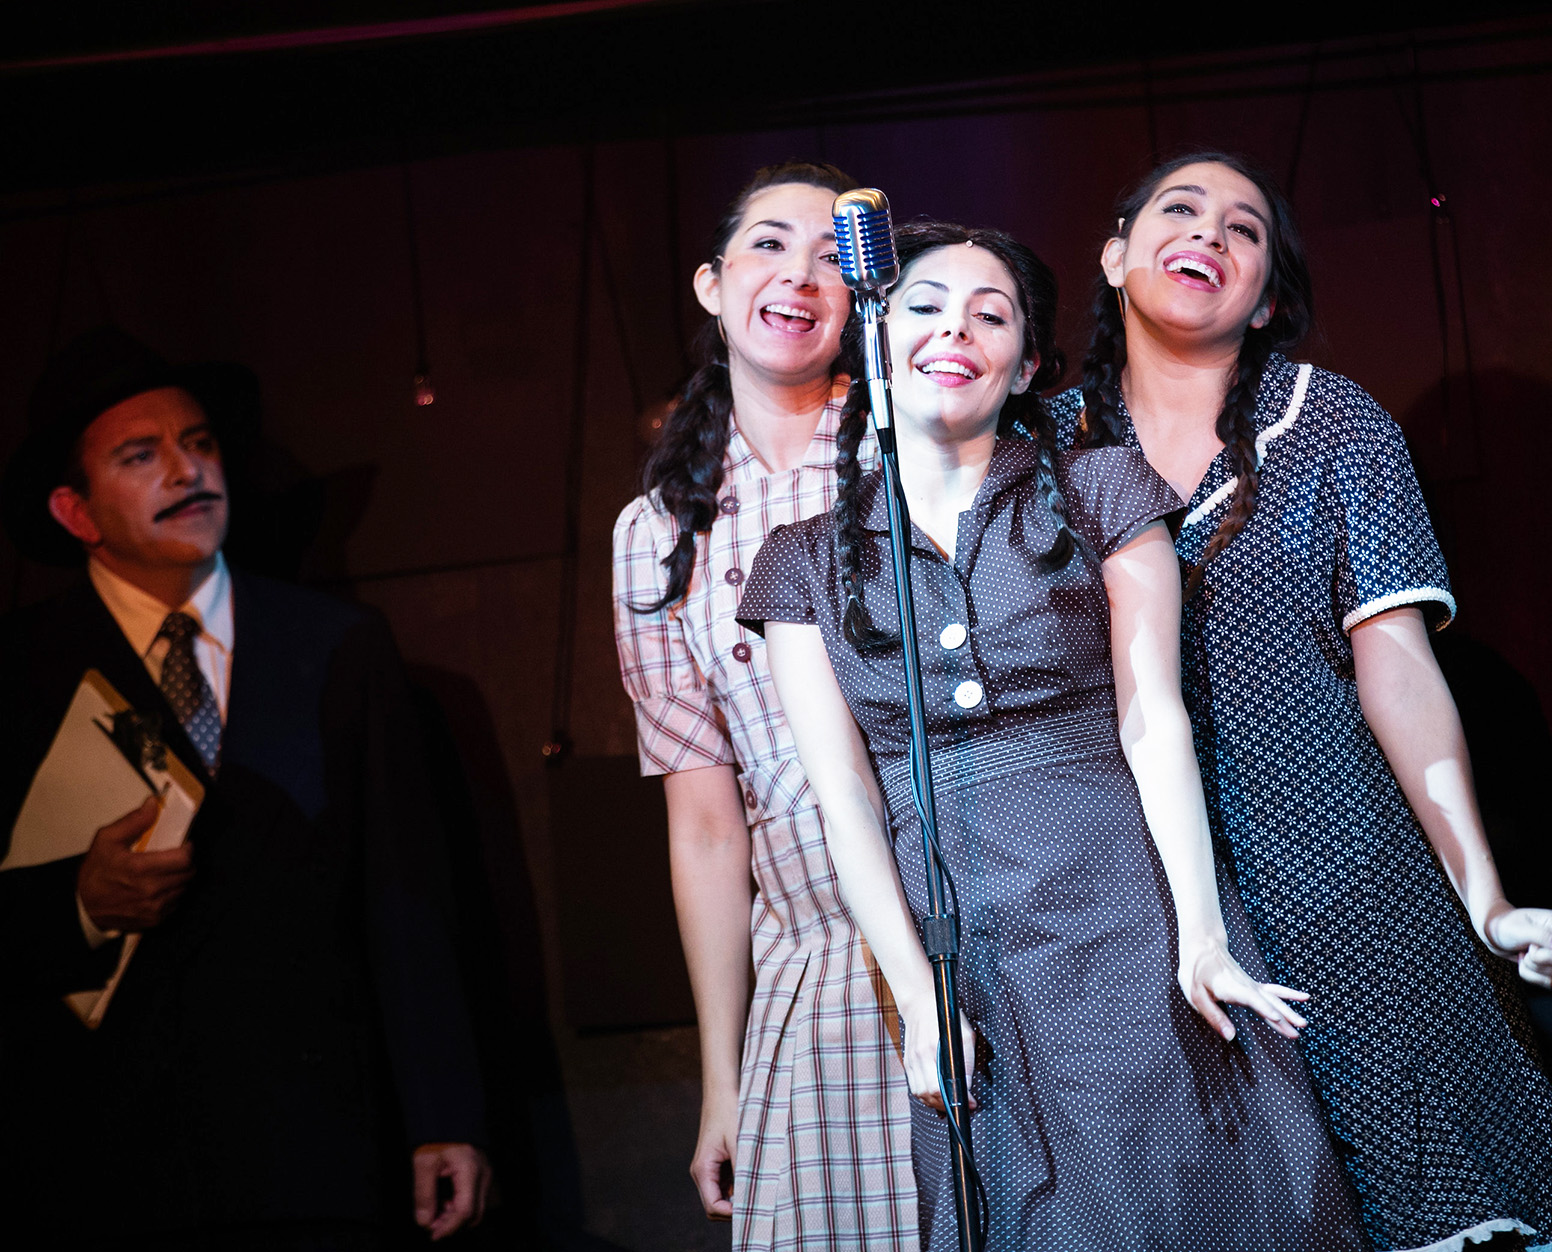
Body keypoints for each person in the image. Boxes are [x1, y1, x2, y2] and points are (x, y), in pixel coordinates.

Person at [737, 222, 1366, 1251]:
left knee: (1191, 1192)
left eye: (991, 316)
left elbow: (1153, 718)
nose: (956, 330)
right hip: (966, 942)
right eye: (926, 307)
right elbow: (843, 796)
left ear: (1026, 364)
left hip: (1125, 905)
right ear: (876, 339)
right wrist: (917, 997)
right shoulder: (801, 563)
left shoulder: (1103, 489)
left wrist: (1201, 933)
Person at [1054, 150, 1552, 1251]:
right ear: (1117, 255)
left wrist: (1484, 895)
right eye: (1182, 210)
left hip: (1337, 876)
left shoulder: (1333, 423)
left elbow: (1399, 668)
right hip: (1130, 896)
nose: (1209, 233)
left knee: (1421, 1189)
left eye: (1244, 229)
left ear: (1266, 298)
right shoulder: (1044, 446)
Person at [0, 327, 490, 1250]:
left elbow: (406, 898)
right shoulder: (18, 674)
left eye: (199, 442)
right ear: (75, 511)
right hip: (96, 1165)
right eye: (140, 455)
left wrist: (443, 1114)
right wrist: (78, 902)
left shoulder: (335, 645)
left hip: (310, 1153)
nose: (186, 470)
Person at [610, 161, 917, 1250]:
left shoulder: (911, 449)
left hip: (969, 932)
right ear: (713, 284)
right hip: (816, 969)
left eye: (833, 257)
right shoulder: (658, 532)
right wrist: (721, 1080)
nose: (800, 275)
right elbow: (704, 826)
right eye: (771, 246)